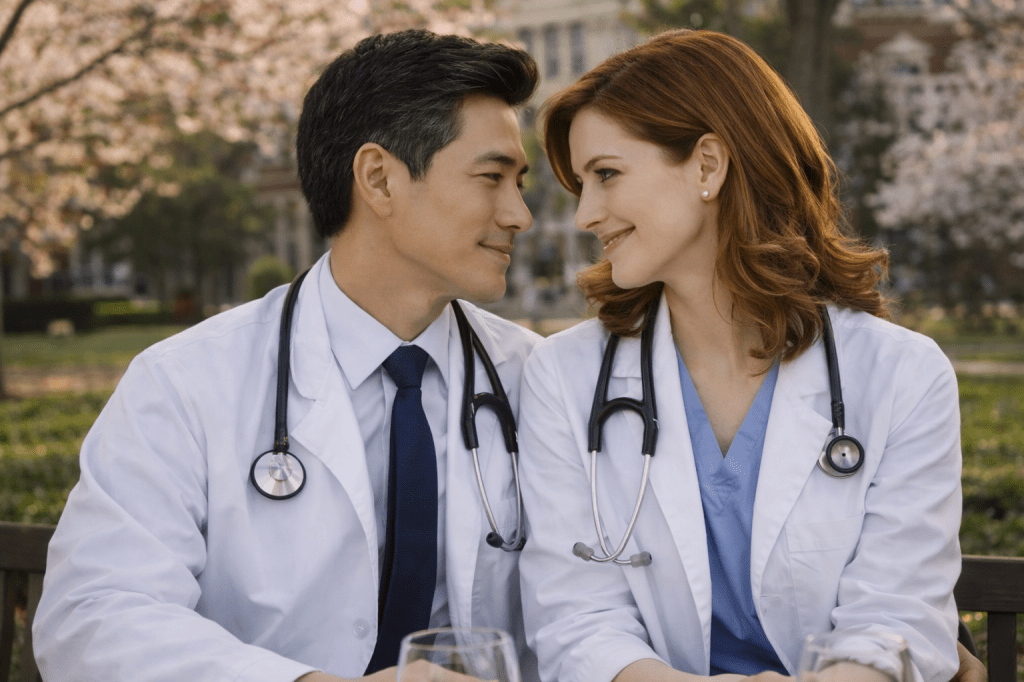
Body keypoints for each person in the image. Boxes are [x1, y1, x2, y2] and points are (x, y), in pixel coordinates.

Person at [33, 29, 540, 682]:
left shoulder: (534, 378)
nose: (520, 214)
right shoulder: (184, 383)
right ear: (379, 180)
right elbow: (91, 616)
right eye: (492, 178)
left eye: (518, 183)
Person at [517, 30, 965, 682]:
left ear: (708, 165)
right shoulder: (565, 377)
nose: (587, 213)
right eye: (580, 184)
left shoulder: (903, 375)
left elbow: (898, 619)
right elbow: (576, 621)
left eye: (606, 175)